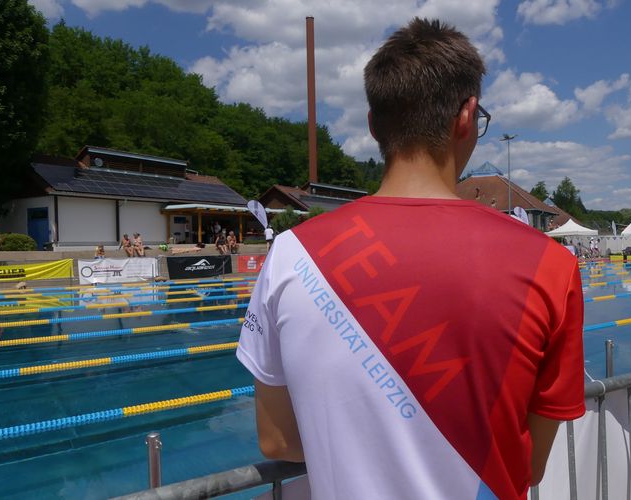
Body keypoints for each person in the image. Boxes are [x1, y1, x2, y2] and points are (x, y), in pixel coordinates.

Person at [236, 18, 585, 500]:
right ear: (467, 117)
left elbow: (277, 439)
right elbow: (527, 464)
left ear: (374, 125)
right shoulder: (551, 264)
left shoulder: (291, 253)